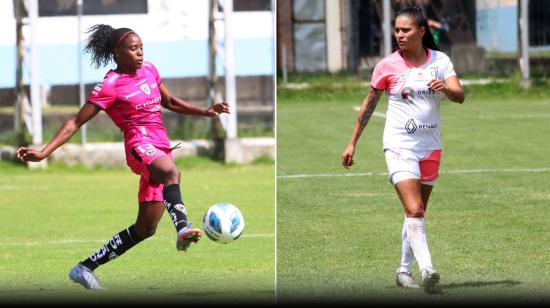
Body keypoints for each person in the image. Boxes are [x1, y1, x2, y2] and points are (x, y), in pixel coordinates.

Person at [16, 24, 230, 290]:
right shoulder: (110, 85)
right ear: (117, 53)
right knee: (171, 173)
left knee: (146, 228)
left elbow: (171, 102)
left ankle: (83, 269)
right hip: (139, 146)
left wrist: (205, 112)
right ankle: (183, 228)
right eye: (133, 48)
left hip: (160, 147)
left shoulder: (150, 70)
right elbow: (74, 121)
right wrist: (43, 152)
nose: (140, 53)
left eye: (141, 48)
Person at [341, 7, 464, 294]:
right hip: (399, 145)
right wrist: (352, 142)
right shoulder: (387, 65)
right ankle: (428, 269)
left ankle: (402, 270)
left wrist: (444, 89)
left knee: (415, 215)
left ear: (422, 31)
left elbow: (460, 96)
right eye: (397, 30)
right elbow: (369, 104)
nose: (400, 35)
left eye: (405, 30)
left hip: (431, 147)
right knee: (414, 208)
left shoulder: (440, 61)